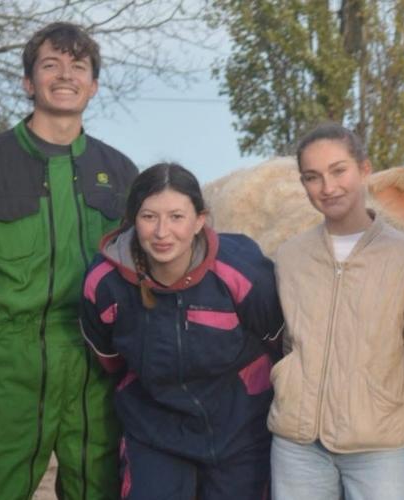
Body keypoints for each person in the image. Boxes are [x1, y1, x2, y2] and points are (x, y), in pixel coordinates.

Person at [268, 123, 404, 500]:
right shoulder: (289, 257)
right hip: (297, 448)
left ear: (365, 170)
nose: (327, 188)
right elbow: (285, 344)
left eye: (338, 171)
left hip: (379, 451)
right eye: (313, 177)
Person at [79, 163, 282, 498]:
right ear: (132, 219)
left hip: (240, 426)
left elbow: (278, 343)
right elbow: (110, 359)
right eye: (149, 217)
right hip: (155, 428)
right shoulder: (104, 283)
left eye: (176, 217)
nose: (162, 232)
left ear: (199, 220)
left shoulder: (242, 272)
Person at [0, 21, 136, 499]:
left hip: (96, 366)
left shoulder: (120, 172)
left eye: (78, 66)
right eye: (50, 64)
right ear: (27, 82)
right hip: (7, 364)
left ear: (93, 85)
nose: (65, 75)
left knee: (98, 490)